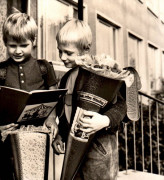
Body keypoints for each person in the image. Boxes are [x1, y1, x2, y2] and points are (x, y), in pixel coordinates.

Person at [52, 19, 127, 180]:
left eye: (68, 53)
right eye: (60, 51)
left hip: (99, 149)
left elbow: (122, 106)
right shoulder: (66, 78)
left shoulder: (102, 73)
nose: (62, 57)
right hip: (75, 151)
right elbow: (67, 111)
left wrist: (105, 120)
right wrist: (60, 135)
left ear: (85, 49)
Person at [0, 12, 59, 179]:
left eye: (24, 45)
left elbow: (54, 96)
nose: (18, 51)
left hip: (37, 135)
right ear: (5, 42)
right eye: (12, 45)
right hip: (8, 136)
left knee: (35, 174)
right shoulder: (0, 71)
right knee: (8, 174)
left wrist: (51, 119)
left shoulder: (44, 67)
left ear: (33, 41)